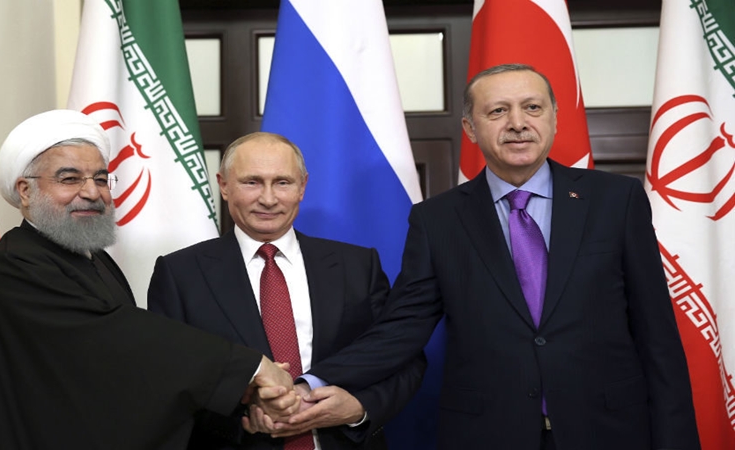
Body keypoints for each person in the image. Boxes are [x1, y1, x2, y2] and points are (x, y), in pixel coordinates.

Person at [299, 64, 701, 450]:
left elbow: (657, 336)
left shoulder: (616, 200)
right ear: (470, 128)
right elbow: (402, 328)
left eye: (532, 107)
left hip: (609, 431)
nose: (518, 123)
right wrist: (313, 382)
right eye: (497, 111)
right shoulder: (437, 220)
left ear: (555, 118)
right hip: (488, 434)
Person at [0, 110, 300, 450]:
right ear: (24, 190)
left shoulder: (94, 260)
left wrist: (238, 407)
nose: (92, 192)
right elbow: (117, 341)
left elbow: (125, 377)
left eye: (101, 179)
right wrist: (248, 368)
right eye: (70, 179)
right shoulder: (10, 268)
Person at [147, 132, 425, 450]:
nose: (268, 199)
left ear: (302, 187)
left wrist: (359, 408)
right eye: (252, 182)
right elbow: (169, 379)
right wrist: (243, 415)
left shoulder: (358, 265)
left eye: (282, 182)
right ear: (224, 185)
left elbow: (402, 357)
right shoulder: (180, 274)